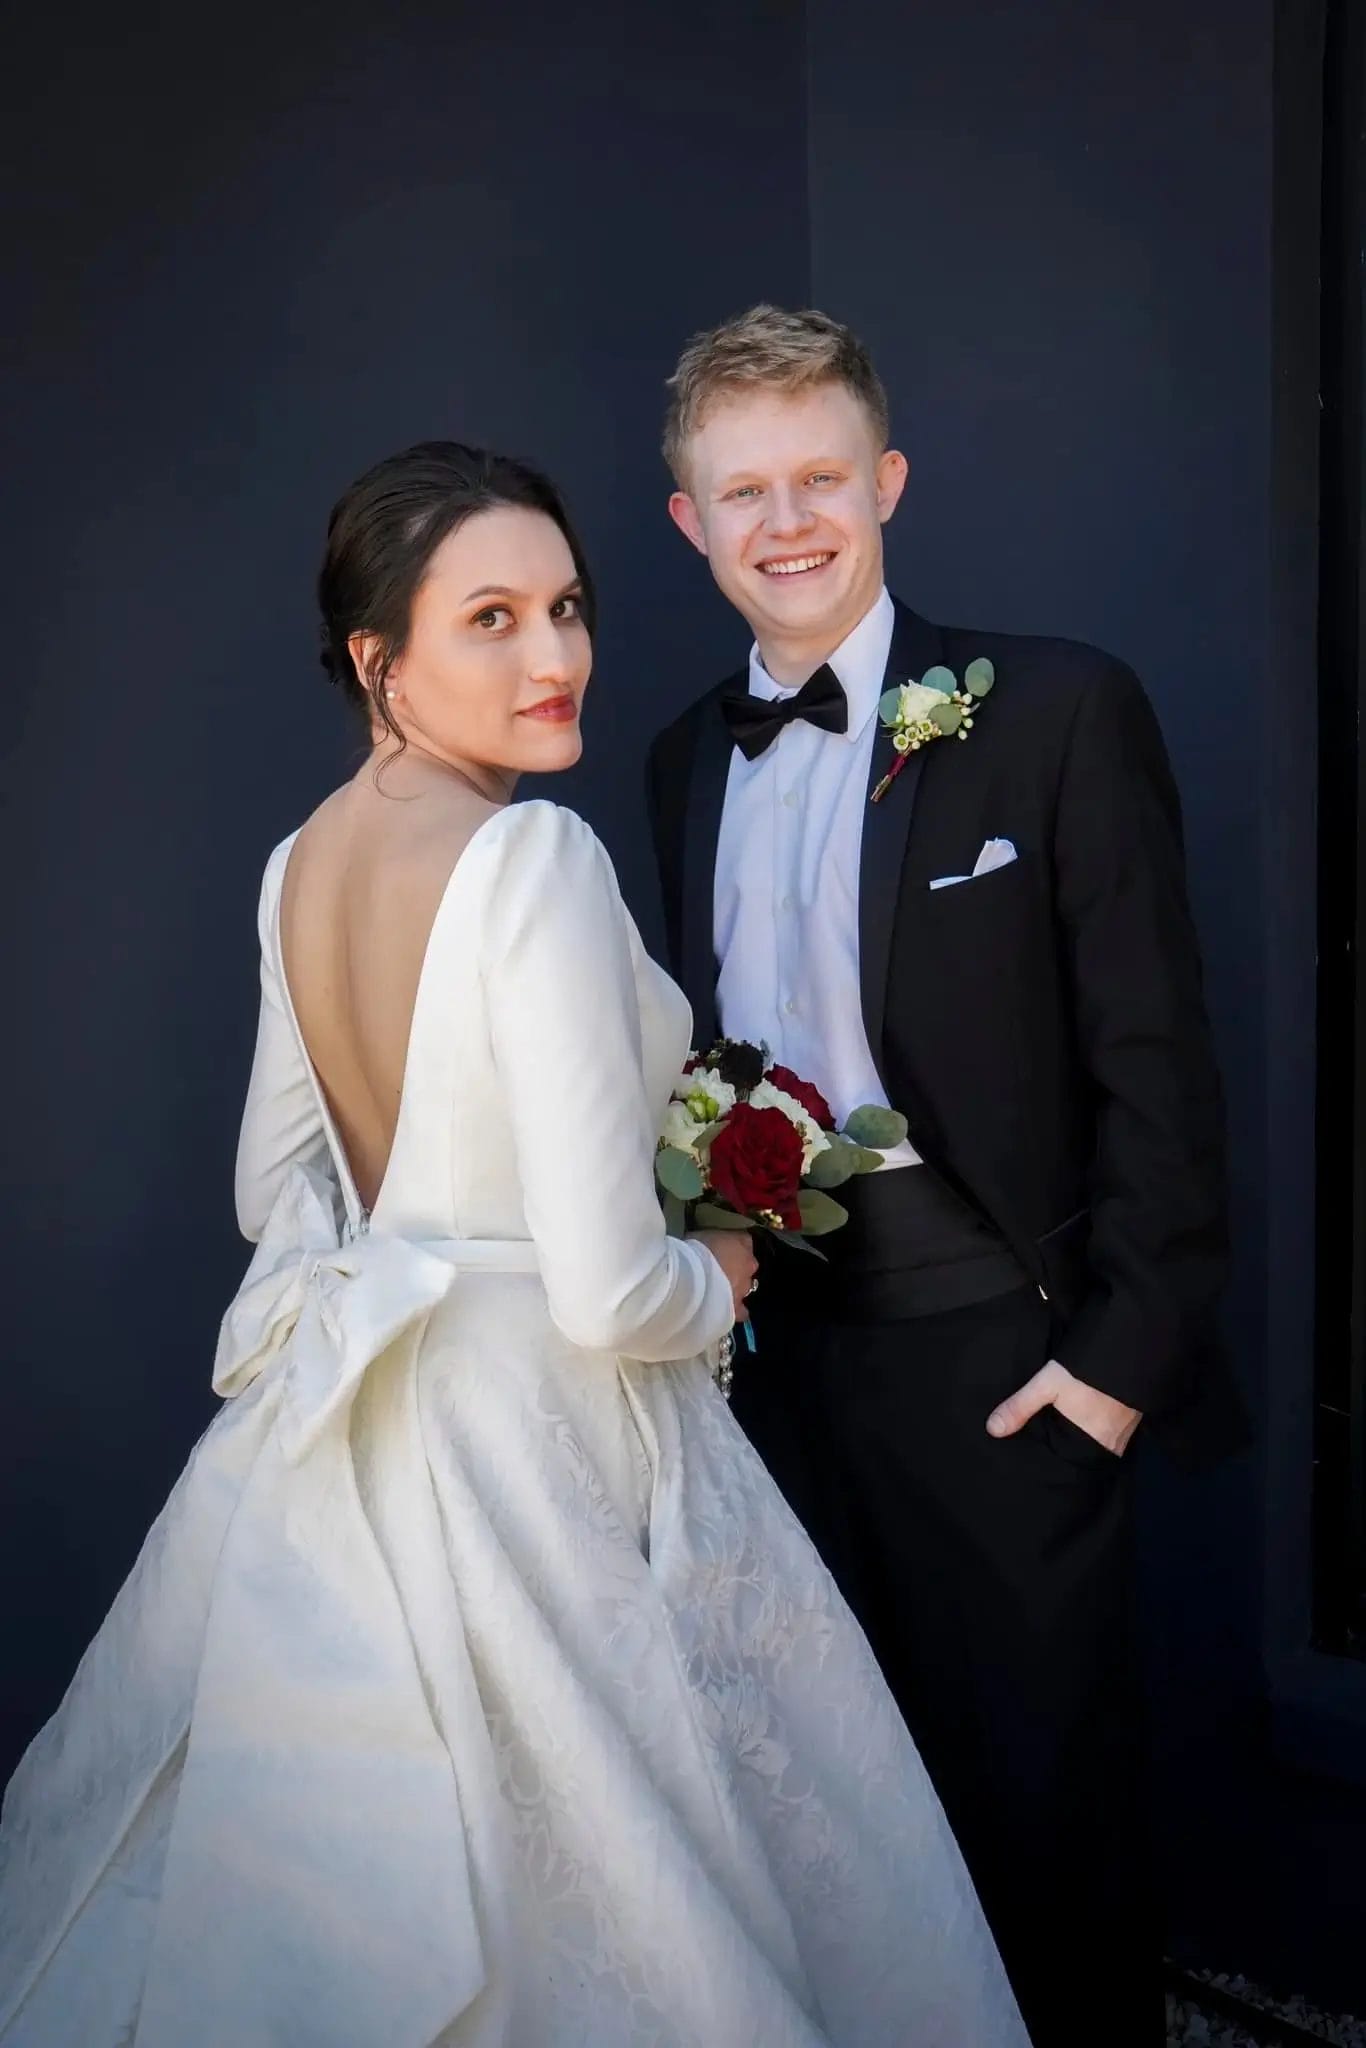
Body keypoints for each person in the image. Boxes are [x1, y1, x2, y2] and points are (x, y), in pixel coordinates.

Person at [0, 440, 1027, 2048]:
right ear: (378, 659)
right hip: (535, 1438)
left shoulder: (297, 867)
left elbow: (277, 1200)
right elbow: (616, 1293)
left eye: (565, 605)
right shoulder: (529, 856)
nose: (554, 658)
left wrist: (432, 1230)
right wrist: (723, 1274)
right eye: (489, 618)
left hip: (351, 1434)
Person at [647, 304, 1247, 2047]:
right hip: (774, 1362)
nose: (786, 522)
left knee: (1042, 1811)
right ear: (688, 521)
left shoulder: (1056, 708)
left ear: (886, 481)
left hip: (1006, 1346)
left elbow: (1157, 1061)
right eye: (740, 490)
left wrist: (1118, 1371)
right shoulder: (684, 756)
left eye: (819, 476)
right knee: (839, 1806)